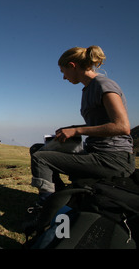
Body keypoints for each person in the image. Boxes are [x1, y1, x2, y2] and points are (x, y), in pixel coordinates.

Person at [30, 45, 135, 202]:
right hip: (98, 152)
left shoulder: (103, 85)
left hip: (113, 159)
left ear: (72, 66)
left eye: (63, 72)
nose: (64, 77)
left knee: (41, 158)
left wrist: (77, 131)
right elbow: (101, 122)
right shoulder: (88, 89)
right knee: (37, 149)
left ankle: (46, 206)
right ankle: (59, 197)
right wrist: (72, 129)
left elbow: (122, 127)